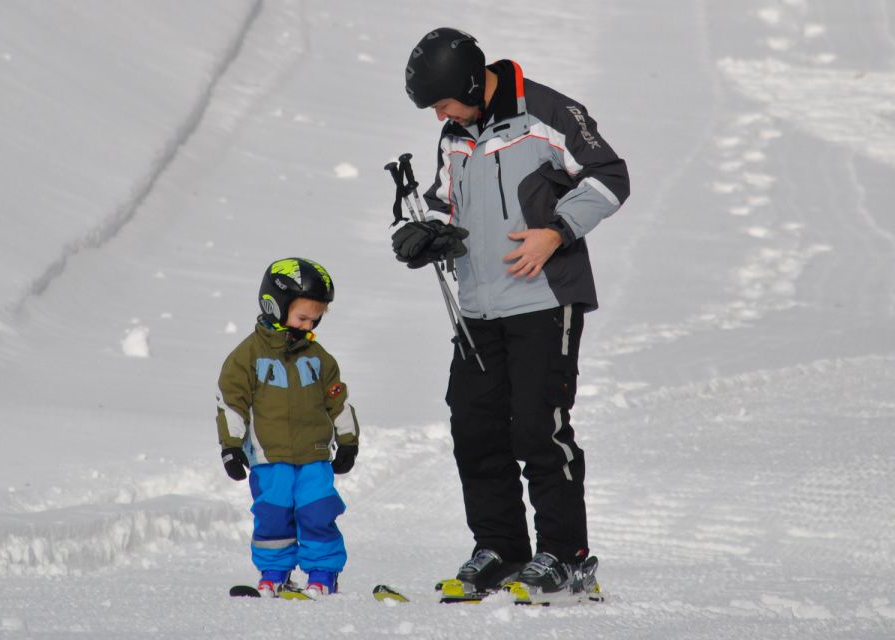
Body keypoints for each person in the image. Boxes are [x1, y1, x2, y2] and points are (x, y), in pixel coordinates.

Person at [393, 28, 630, 596]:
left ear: (472, 83)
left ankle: (565, 557)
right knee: (475, 430)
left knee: (537, 428)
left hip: (545, 299)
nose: (438, 117)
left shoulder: (547, 113)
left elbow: (610, 177)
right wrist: (428, 233)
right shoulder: (455, 136)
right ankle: (500, 549)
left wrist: (556, 230)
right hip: (477, 308)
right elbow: (446, 200)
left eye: (443, 103)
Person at [215, 257, 359, 597]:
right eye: (302, 317)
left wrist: (348, 441)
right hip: (270, 456)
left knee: (318, 511)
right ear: (275, 306)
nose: (309, 324)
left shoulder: (319, 357)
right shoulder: (248, 355)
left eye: (315, 318)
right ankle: (275, 571)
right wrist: (231, 447)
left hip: (314, 456)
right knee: (273, 514)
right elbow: (232, 402)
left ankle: (323, 572)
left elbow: (338, 400)